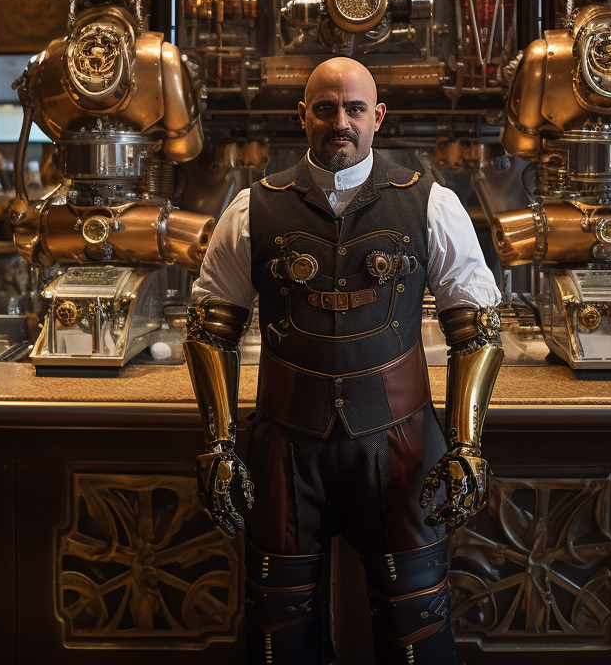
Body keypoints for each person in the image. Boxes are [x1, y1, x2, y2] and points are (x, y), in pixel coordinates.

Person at [185, 56, 504, 665]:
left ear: (378, 117)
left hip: (404, 450)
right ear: (302, 115)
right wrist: (219, 446)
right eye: (326, 108)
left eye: (355, 108)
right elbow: (209, 328)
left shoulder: (431, 204)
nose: (341, 121)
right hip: (283, 449)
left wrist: (466, 446)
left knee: (417, 626)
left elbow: (478, 328)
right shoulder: (251, 209)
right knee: (279, 634)